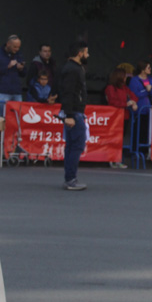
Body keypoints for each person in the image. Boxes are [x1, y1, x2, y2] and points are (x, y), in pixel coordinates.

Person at [57, 40, 89, 191]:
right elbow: (69, 92)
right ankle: (70, 179)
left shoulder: (71, 68)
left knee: (72, 146)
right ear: (79, 53)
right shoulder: (73, 70)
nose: (88, 55)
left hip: (74, 112)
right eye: (86, 52)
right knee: (76, 145)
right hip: (74, 112)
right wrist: (69, 114)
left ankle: (70, 177)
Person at [104, 67, 138, 169]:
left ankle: (118, 159)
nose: (125, 78)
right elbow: (112, 101)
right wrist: (126, 103)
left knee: (120, 140)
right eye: (124, 76)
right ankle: (112, 159)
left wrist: (133, 102)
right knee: (113, 139)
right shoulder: (110, 88)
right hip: (114, 117)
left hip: (124, 116)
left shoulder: (124, 88)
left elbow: (134, 96)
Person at [0, 34, 26, 105]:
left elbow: (24, 74)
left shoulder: (18, 54)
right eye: (15, 47)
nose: (17, 49)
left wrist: (21, 68)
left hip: (16, 91)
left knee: (17, 115)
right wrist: (7, 66)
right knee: (1, 115)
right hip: (2, 91)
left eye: (18, 47)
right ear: (8, 44)